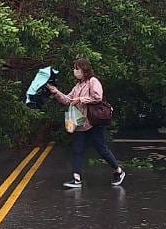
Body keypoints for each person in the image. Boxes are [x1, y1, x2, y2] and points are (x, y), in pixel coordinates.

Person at [48, 57, 125, 189]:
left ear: (84, 69)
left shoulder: (93, 81)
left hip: (94, 121)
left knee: (102, 149)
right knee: (77, 149)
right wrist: (56, 92)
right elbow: (68, 100)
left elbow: (98, 97)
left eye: (77, 68)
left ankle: (118, 170)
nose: (75, 71)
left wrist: (81, 99)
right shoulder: (78, 86)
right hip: (81, 122)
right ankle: (76, 178)